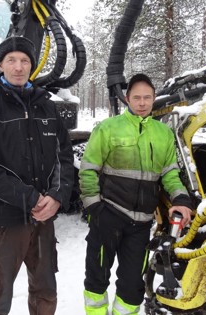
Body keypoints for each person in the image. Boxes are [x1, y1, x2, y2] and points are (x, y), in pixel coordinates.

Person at [0, 36, 74, 315]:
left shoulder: (48, 109)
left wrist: (56, 196)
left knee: (45, 292)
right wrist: (29, 197)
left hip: (43, 220)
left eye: (24, 60)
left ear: (32, 66)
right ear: (0, 65)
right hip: (3, 222)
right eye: (11, 60)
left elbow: (63, 156)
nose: (18, 67)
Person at [79, 73, 193, 315]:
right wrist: (94, 208)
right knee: (96, 280)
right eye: (137, 97)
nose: (142, 103)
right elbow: (88, 170)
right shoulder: (108, 128)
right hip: (107, 217)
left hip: (140, 225)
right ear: (127, 99)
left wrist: (181, 199)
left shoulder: (163, 134)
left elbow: (170, 175)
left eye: (147, 97)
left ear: (154, 99)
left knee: (132, 289)